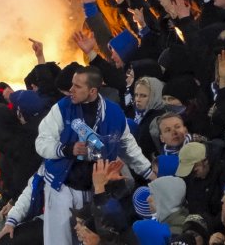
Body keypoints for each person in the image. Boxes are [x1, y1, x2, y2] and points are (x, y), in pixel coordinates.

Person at [35, 66, 153, 244]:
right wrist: (67, 149)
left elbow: (127, 145)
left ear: (92, 91)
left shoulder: (114, 113)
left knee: (91, 239)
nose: (71, 90)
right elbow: (41, 142)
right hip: (62, 186)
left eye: (77, 86)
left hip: (96, 189)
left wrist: (148, 172)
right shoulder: (62, 108)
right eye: (71, 85)